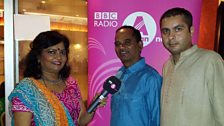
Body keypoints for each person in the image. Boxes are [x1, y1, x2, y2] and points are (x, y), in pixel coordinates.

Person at [8, 31, 104, 126]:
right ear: (38, 56)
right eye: (51, 52)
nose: (58, 57)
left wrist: (94, 105)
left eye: (62, 52)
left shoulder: (70, 83)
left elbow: (81, 120)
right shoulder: (27, 89)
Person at [159, 7, 224, 126]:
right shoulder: (167, 66)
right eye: (166, 31)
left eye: (178, 29)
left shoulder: (210, 61)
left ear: (191, 30)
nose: (171, 36)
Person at [110, 25, 162, 126]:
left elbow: (157, 119)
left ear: (140, 45)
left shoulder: (151, 78)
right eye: (118, 44)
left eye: (127, 42)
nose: (121, 47)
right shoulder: (118, 75)